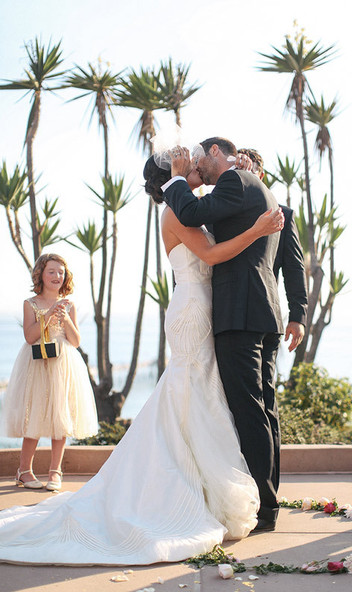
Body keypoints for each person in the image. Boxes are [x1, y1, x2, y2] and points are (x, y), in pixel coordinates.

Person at [0, 157, 283, 565]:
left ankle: (201, 482)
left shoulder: (189, 207)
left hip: (201, 305)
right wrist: (257, 229)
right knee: (191, 389)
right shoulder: (176, 211)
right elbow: (212, 255)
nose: (196, 162)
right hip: (193, 309)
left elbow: (219, 219)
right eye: (187, 161)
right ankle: (179, 486)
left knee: (197, 391)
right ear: (174, 174)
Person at [163, 138, 284, 532]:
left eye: (199, 160)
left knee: (249, 410)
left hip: (240, 311)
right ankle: (268, 500)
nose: (197, 167)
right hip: (260, 310)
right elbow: (209, 225)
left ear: (215, 152)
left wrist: (175, 179)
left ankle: (263, 506)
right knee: (262, 408)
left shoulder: (235, 180)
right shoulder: (251, 184)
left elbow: (193, 212)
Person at [1, 254, 98, 492]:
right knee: (34, 415)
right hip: (37, 364)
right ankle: (24, 470)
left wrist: (65, 320)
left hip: (62, 365)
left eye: (61, 272)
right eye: (52, 271)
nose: (57, 276)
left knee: (60, 416)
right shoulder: (30, 303)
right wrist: (47, 315)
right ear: (41, 275)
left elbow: (75, 341)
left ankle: (56, 471)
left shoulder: (69, 305)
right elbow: (29, 336)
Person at [238, 148, 308, 352]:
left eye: (251, 172)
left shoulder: (283, 215)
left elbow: (294, 268)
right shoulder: (218, 213)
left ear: (260, 176)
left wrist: (297, 318)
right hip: (228, 319)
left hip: (267, 316)